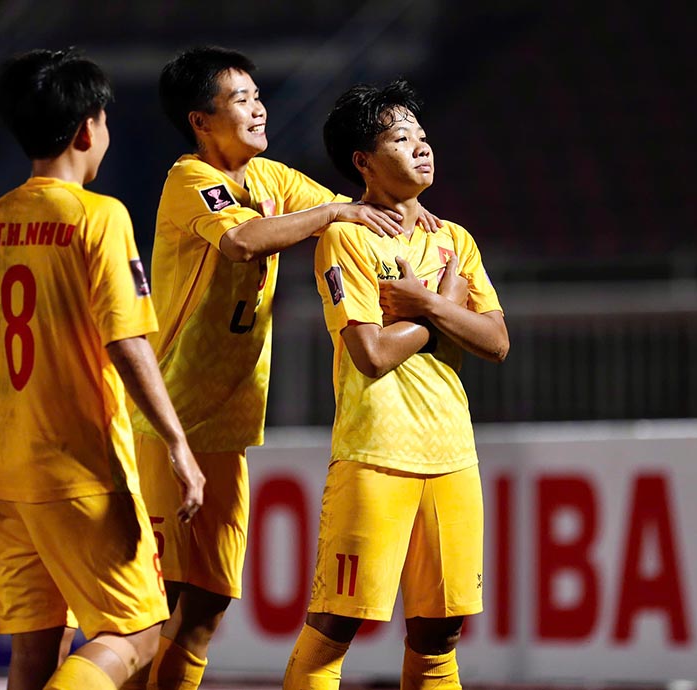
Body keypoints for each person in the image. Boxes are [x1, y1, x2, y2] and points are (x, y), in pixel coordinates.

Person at [126, 46, 440, 689]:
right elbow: (246, 239)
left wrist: (405, 214)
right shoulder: (189, 179)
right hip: (169, 423)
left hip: (225, 425)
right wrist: (338, 213)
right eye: (239, 98)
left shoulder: (269, 178)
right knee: (152, 608)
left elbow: (351, 213)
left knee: (208, 603)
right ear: (200, 121)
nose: (259, 106)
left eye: (257, 94)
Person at [0, 48, 205, 690]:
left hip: (3, 471)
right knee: (136, 633)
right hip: (77, 470)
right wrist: (179, 447)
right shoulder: (100, 217)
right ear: (86, 129)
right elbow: (127, 342)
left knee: (37, 652)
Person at [282, 79, 509, 690]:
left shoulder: (453, 239)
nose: (422, 147)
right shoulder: (346, 238)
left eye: (424, 136)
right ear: (363, 161)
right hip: (375, 456)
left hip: (452, 456)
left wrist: (423, 307)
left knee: (440, 636)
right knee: (335, 627)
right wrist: (438, 308)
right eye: (402, 137)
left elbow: (496, 342)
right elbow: (371, 354)